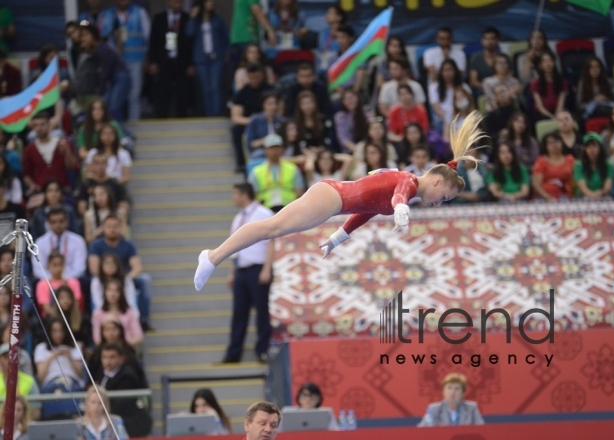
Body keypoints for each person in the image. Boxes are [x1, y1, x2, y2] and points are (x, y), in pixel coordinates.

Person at [194, 111, 487, 291]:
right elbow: (399, 194)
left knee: (271, 227)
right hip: (331, 196)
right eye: (444, 197)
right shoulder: (408, 181)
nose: (440, 203)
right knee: (270, 228)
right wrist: (401, 209)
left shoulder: (407, 186)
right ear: (437, 181)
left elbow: (368, 208)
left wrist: (339, 236)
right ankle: (213, 257)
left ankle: (213, 257)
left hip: (333, 201)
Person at [222, 183, 274, 363]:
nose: (233, 198)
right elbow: (233, 248)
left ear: (244, 195)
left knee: (261, 311)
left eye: (235, 194)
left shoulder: (263, 213)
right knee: (239, 312)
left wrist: (267, 267)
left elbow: (271, 242)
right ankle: (234, 353)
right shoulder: (238, 218)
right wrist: (232, 272)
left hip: (258, 268)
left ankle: (262, 350)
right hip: (241, 270)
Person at [99, 0, 151, 120]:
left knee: (134, 95)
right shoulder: (106, 15)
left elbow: (148, 37)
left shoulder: (140, 12)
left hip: (136, 60)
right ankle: (118, 127)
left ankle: (135, 124)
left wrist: (147, 59)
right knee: (116, 97)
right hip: (115, 63)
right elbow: (102, 39)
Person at [93, 343, 152, 437]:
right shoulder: (102, 373)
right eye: (104, 357)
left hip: (126, 422)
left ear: (121, 359)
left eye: (112, 357)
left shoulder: (127, 376)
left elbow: (120, 405)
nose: (108, 361)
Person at [148, 0, 194, 118]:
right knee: (163, 91)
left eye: (179, 2)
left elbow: (192, 43)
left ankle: (182, 118)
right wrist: (153, 61)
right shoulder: (159, 18)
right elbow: (153, 41)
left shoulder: (187, 18)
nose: (176, 4)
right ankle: (162, 119)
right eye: (174, 2)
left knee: (182, 92)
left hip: (182, 62)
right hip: (164, 61)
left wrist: (192, 64)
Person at [186, 0, 229, 117]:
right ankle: (209, 115)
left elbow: (225, 37)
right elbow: (189, 33)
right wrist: (193, 17)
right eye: (208, 1)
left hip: (216, 58)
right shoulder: (196, 22)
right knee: (205, 89)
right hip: (201, 58)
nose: (212, 3)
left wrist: (225, 53)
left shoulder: (217, 20)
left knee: (215, 87)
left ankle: (217, 114)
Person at [231, 63, 274, 173]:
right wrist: (254, 121)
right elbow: (235, 117)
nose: (255, 80)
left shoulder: (269, 90)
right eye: (252, 77)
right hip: (251, 123)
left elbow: (278, 108)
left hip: (271, 120)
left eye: (257, 77)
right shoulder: (242, 93)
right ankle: (241, 163)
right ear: (248, 76)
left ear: (262, 75)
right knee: (236, 130)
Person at [23, 112, 78, 196]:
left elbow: (73, 167)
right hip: (41, 192)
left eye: (42, 124)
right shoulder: (29, 150)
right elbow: (26, 175)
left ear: (49, 125)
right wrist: (33, 186)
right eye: (36, 125)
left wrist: (67, 151)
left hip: (62, 190)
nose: (39, 128)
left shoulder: (62, 143)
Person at [247, 134, 305, 213]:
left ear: (282, 149)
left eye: (277, 147)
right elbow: (252, 195)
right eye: (271, 148)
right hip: (265, 210)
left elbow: (299, 193)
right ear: (266, 150)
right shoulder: (256, 171)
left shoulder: (293, 169)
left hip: (289, 208)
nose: (275, 151)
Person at [32, 208, 88, 281]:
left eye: (61, 221)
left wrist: (64, 279)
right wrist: (52, 280)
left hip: (71, 280)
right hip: (48, 281)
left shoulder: (78, 241)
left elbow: (80, 268)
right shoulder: (40, 242)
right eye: (53, 222)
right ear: (48, 223)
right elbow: (38, 269)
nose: (58, 225)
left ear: (67, 222)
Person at [34, 317, 85, 393]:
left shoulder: (75, 347)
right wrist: (52, 356)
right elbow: (41, 377)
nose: (58, 335)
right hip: (51, 383)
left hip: (72, 382)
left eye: (61, 331)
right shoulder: (41, 348)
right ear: (49, 332)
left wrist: (70, 357)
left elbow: (79, 374)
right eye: (55, 331)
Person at [417, 373, 484, 426]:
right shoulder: (434, 409)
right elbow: (422, 431)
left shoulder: (471, 408)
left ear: (463, 392)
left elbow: (481, 430)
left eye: (457, 389)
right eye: (449, 388)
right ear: (443, 391)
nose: (452, 392)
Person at [532, 132, 575, 201]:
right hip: (544, 197)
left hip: (565, 196)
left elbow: (576, 179)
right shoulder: (541, 161)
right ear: (546, 146)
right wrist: (549, 198)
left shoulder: (570, 159)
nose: (555, 145)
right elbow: (536, 185)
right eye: (551, 143)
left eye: (557, 142)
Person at [246, 92, 285, 160]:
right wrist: (267, 140)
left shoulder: (282, 121)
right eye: (270, 104)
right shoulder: (255, 121)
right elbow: (251, 143)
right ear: (264, 105)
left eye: (275, 104)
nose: (273, 107)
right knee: (257, 155)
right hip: (262, 150)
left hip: (279, 149)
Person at [574, 133, 614, 198]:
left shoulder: (608, 165)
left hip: (602, 195)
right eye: (588, 146)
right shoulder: (578, 164)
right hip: (584, 196)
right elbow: (583, 189)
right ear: (584, 149)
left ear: (600, 148)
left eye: (594, 146)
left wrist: (600, 193)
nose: (591, 150)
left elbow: (607, 187)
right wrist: (592, 195)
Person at [531, 51, 568, 121]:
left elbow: (560, 104)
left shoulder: (562, 82)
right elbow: (540, 107)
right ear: (540, 65)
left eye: (550, 60)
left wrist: (557, 116)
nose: (548, 64)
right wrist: (551, 117)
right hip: (542, 113)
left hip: (558, 111)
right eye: (545, 61)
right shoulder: (535, 83)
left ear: (554, 63)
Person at [576, 56, 614, 120]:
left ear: (601, 69)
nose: (595, 70)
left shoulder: (607, 81)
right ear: (587, 69)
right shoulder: (582, 83)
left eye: (597, 67)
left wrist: (605, 99)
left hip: (606, 110)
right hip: (590, 113)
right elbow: (579, 105)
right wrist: (594, 101)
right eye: (592, 68)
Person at [334, 89, 368, 154]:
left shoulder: (367, 115)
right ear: (343, 102)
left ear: (357, 98)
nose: (350, 101)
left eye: (352, 97)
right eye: (347, 99)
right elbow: (343, 138)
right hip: (350, 150)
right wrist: (358, 150)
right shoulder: (340, 117)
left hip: (367, 148)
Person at [468, 27, 500, 95]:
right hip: (482, 90)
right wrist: (489, 88)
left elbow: (509, 75)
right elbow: (474, 81)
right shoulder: (476, 58)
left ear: (497, 41)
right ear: (482, 41)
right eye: (487, 39)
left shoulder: (502, 57)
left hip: (501, 89)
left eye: (492, 39)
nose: (490, 42)